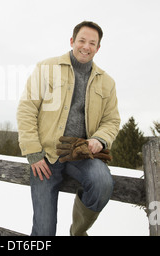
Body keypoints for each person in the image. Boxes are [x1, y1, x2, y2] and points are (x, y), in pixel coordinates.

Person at [16, 21, 120, 236]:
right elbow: (26, 109)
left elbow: (112, 120)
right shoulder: (46, 68)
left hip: (81, 155)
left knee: (102, 183)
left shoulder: (107, 82)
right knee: (43, 231)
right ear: (72, 41)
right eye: (82, 40)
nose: (86, 46)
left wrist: (100, 139)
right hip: (46, 156)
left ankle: (78, 232)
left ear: (98, 48)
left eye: (92, 43)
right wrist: (34, 153)